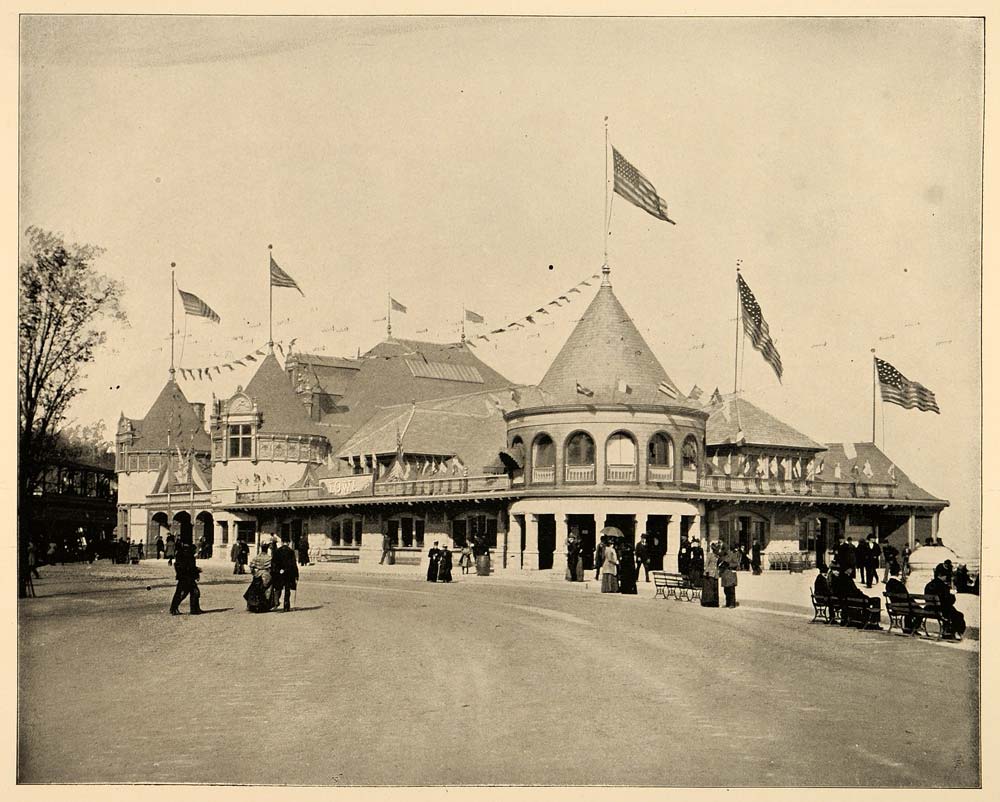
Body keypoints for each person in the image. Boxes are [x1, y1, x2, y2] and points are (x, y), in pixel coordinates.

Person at [829, 562, 880, 628]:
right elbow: (854, 591)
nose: (851, 571)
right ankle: (874, 622)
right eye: (850, 569)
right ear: (847, 569)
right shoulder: (847, 578)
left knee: (870, 600)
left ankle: (871, 621)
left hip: (851, 600)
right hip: (855, 600)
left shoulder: (841, 578)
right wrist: (863, 595)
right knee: (876, 600)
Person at [924, 565, 966, 639]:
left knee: (951, 612)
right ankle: (954, 632)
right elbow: (951, 600)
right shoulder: (943, 586)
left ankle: (948, 631)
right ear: (941, 575)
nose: (947, 577)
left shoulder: (928, 585)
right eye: (945, 575)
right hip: (941, 610)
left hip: (929, 609)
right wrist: (952, 595)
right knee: (959, 615)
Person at [169, 532, 203, 615]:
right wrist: (196, 570)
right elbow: (185, 566)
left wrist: (196, 572)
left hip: (188, 576)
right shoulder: (183, 553)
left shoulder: (185, 553)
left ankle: (194, 609)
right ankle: (174, 608)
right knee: (183, 593)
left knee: (194, 592)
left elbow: (190, 566)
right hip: (185, 577)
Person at [884, 564, 918, 634]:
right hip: (904, 606)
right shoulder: (899, 584)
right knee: (918, 610)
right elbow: (906, 596)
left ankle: (908, 627)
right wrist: (915, 603)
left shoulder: (889, 583)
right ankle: (912, 628)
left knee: (909, 608)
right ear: (898, 572)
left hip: (894, 606)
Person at [244, 541, 276, 613]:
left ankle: (252, 605)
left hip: (258, 574)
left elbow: (251, 566)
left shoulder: (257, 557)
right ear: (267, 549)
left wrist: (254, 573)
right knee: (267, 590)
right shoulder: (269, 558)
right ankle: (266, 605)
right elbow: (272, 568)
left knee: (255, 589)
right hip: (266, 574)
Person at [272, 533, 299, 612]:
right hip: (289, 573)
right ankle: (286, 605)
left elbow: (274, 563)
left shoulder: (277, 551)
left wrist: (277, 571)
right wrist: (296, 575)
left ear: (282, 542)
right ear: (288, 542)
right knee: (287, 590)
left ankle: (276, 603)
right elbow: (293, 564)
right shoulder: (291, 551)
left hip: (279, 573)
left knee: (278, 588)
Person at [701, 542, 720, 607]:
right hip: (709, 574)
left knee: (715, 588)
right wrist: (706, 571)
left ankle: (714, 602)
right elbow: (706, 564)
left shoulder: (717, 556)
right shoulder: (710, 555)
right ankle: (708, 602)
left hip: (715, 574)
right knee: (709, 589)